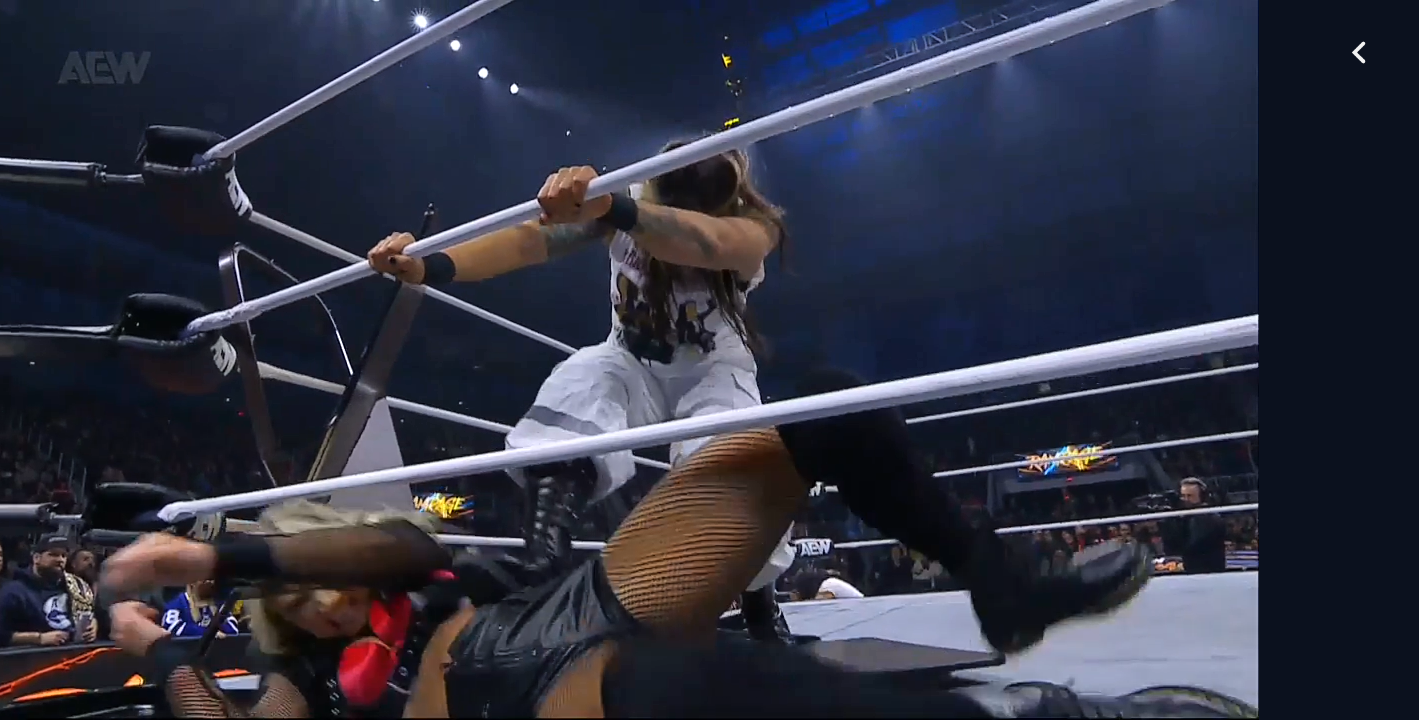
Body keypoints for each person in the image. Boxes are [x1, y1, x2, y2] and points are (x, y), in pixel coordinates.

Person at [101, 375, 1253, 718]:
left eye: (308, 581)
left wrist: (225, 557)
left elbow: (390, 540)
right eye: (294, 610)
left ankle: (997, 580)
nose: (313, 607)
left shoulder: (384, 561)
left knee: (820, 415)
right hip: (517, 694)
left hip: (578, 596)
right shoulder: (304, 678)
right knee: (687, 690)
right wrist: (156, 649)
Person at [368, 147, 800, 641]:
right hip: (630, 358)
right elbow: (529, 242)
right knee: (581, 383)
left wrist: (613, 206)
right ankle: (543, 556)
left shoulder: (753, 227)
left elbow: (710, 243)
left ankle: (760, 601)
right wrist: (429, 266)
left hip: (712, 371)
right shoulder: (622, 205)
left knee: (734, 459)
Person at [0, 535, 98, 647]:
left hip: (77, 651)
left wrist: (93, 624)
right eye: (53, 554)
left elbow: (89, 613)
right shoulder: (13, 592)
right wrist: (39, 638)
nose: (60, 560)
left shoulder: (76, 585)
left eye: (64, 555)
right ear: (36, 558)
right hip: (36, 655)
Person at [160, 580, 242, 638]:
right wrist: (207, 633)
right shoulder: (178, 603)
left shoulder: (218, 604)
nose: (209, 582)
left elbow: (233, 628)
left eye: (211, 579)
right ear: (192, 582)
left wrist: (218, 629)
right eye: (205, 580)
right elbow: (171, 627)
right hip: (185, 652)